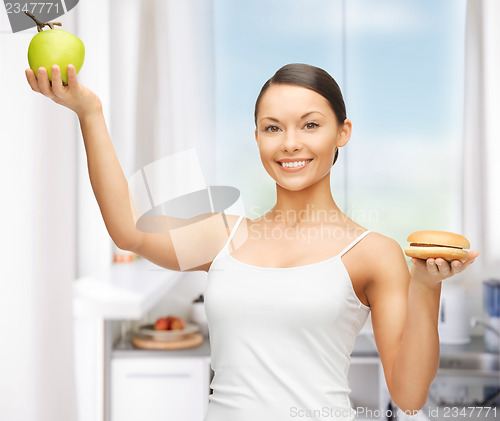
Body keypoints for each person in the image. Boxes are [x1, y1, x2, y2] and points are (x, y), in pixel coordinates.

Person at [26, 62, 479, 420]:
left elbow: (409, 395)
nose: (290, 144)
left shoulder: (373, 253)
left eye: (310, 125)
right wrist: (90, 112)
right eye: (273, 127)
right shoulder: (222, 234)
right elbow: (126, 229)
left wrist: (425, 287)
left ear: (343, 132)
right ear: (258, 137)